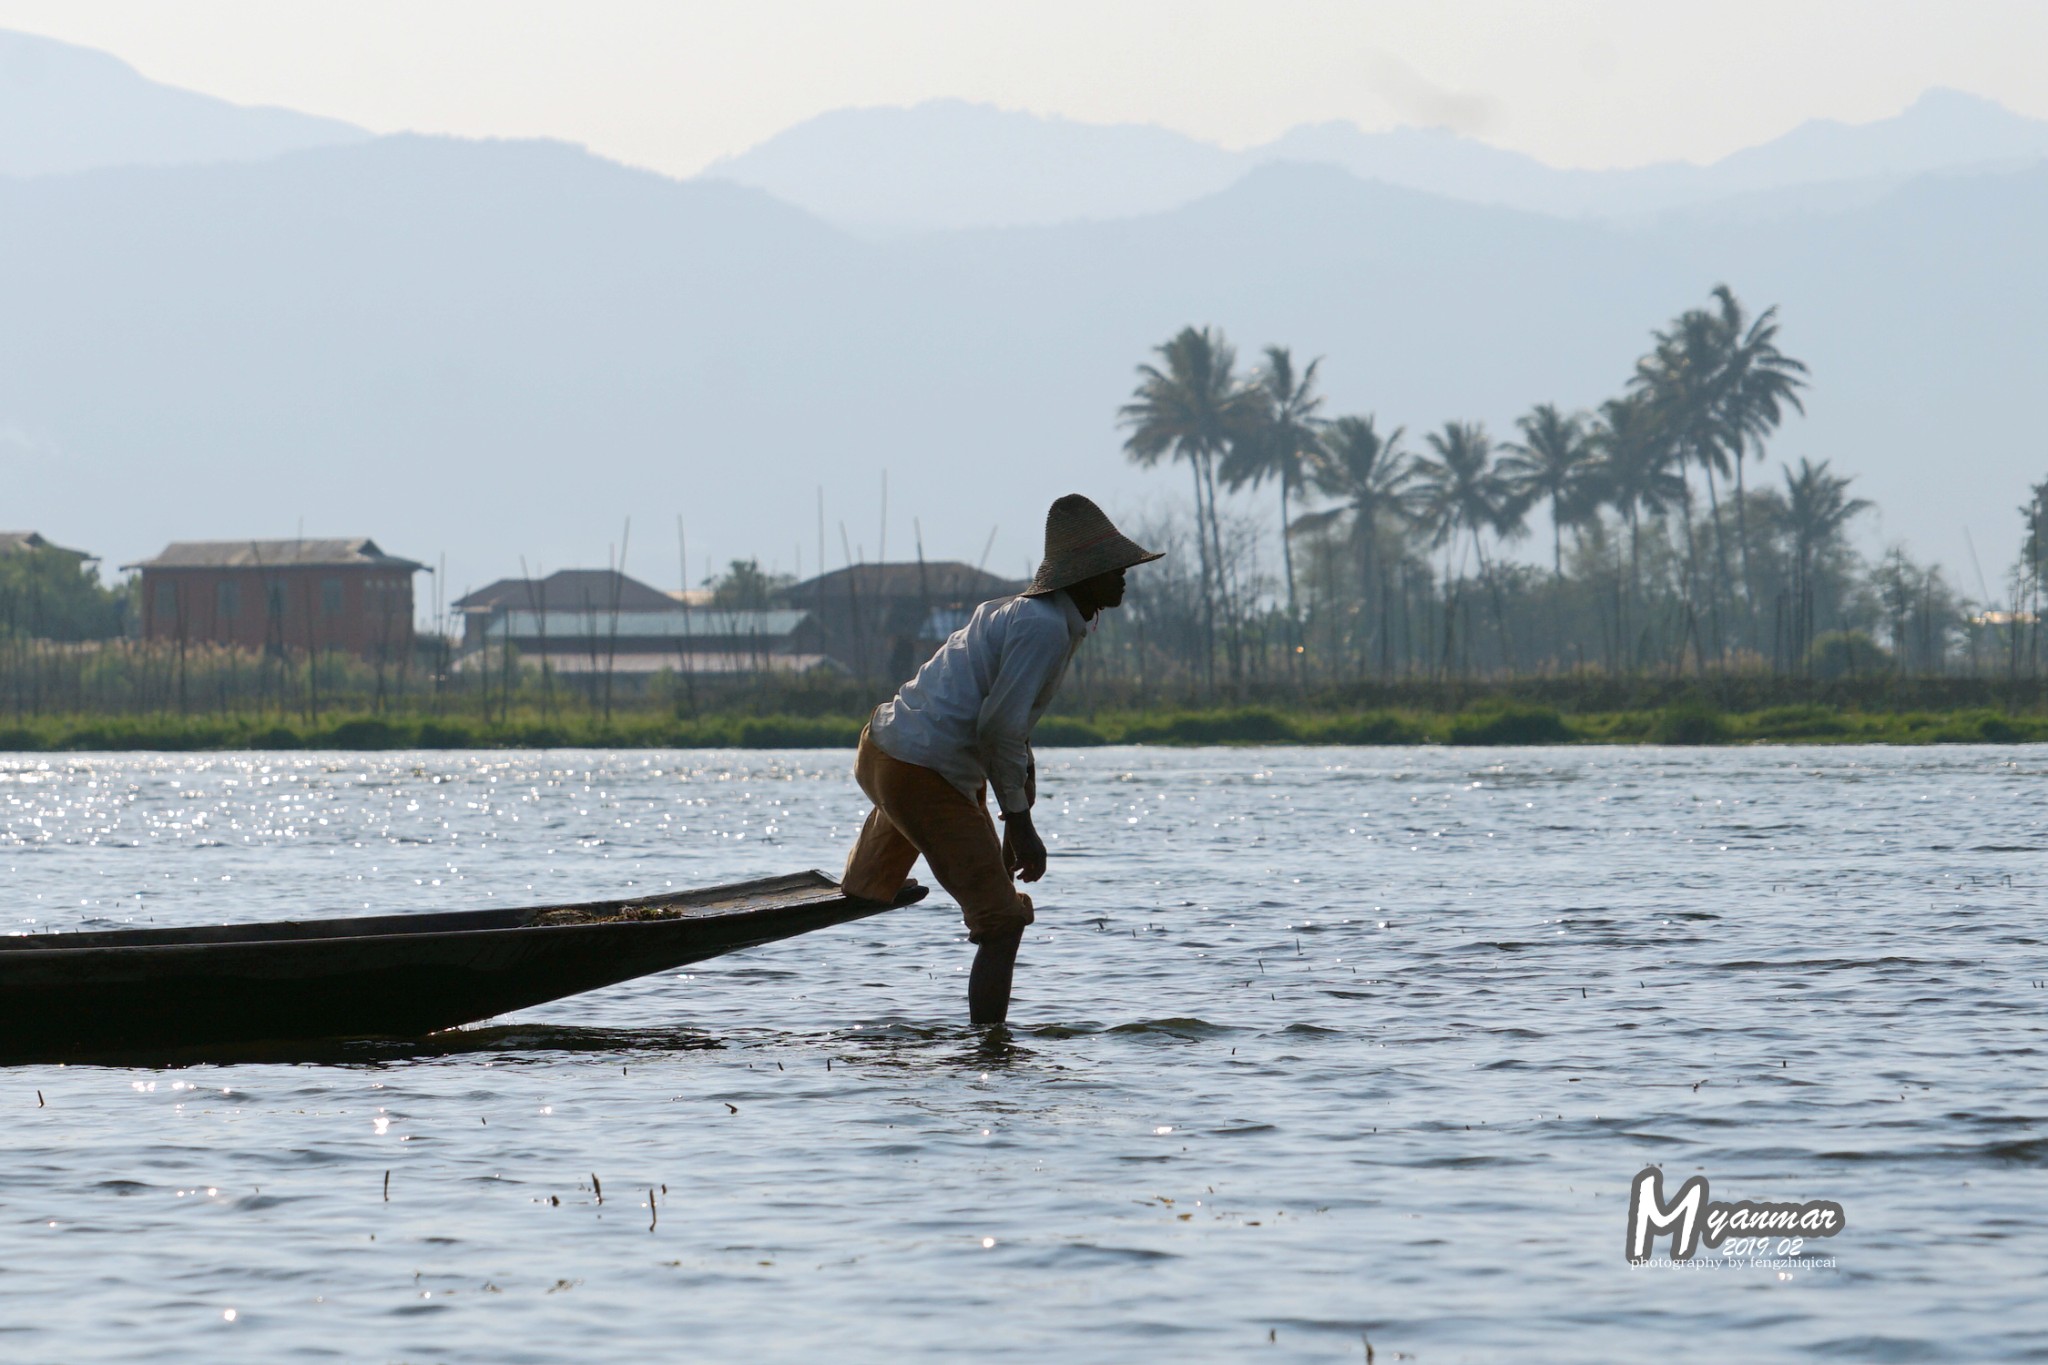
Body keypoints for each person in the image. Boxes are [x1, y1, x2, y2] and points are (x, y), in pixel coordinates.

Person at [840, 494, 1161, 1026]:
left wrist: (1015, 814)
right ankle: (990, 1050)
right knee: (1003, 923)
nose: (1124, 577)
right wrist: (1021, 823)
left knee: (872, 885)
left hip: (886, 751)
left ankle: (866, 878)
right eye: (1113, 569)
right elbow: (1000, 731)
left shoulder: (1042, 619)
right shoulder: (1041, 626)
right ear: (1081, 580)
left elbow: (1006, 733)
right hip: (920, 769)